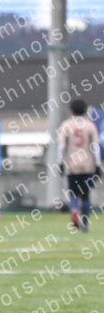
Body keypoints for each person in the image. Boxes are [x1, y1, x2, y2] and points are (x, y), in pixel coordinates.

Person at [58, 98, 101, 232]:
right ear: (85, 111)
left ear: (71, 110)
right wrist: (98, 164)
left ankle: (74, 211)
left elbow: (61, 146)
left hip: (72, 165)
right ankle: (85, 224)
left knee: (73, 193)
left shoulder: (66, 125)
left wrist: (60, 163)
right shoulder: (90, 126)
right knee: (86, 195)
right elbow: (95, 146)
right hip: (87, 165)